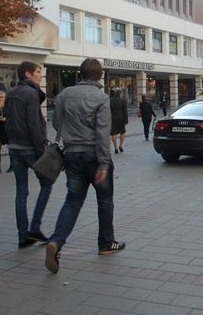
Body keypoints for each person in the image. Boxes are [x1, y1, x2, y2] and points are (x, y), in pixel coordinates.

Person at [45, 58, 125, 274]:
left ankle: (56, 241)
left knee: (72, 201)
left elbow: (56, 123)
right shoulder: (101, 97)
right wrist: (104, 163)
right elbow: (102, 132)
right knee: (105, 200)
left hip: (72, 155)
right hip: (94, 156)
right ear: (99, 76)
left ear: (80, 74)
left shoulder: (64, 95)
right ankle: (106, 243)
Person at [4, 61, 53, 248]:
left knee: (21, 192)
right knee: (47, 183)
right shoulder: (31, 93)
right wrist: (42, 153)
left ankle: (23, 236)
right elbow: (34, 125)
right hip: (29, 147)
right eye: (38, 72)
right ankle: (35, 227)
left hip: (14, 147)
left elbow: (7, 120)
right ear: (28, 74)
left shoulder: (11, 93)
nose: (40, 75)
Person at [110, 89, 128, 154]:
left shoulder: (110, 101)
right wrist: (126, 120)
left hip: (113, 119)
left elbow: (108, 111)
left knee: (113, 133)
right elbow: (125, 112)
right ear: (120, 94)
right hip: (121, 119)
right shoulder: (123, 101)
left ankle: (115, 148)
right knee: (122, 132)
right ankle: (120, 145)